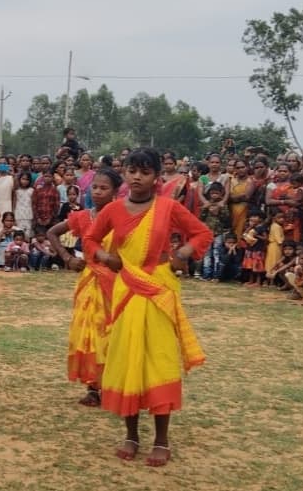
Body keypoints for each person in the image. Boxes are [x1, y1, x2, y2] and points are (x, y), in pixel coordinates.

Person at [84, 147, 212, 467]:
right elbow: (90, 240)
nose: (137, 177)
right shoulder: (113, 209)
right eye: (132, 171)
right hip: (127, 290)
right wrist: (106, 257)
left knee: (159, 361)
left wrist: (182, 253)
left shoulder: (168, 207)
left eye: (145, 171)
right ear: (125, 173)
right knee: (128, 359)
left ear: (157, 177)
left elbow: (201, 233)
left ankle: (161, 440)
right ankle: (131, 435)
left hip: (158, 291)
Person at [48, 168, 121, 406]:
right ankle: (93, 387)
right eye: (95, 187)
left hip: (117, 281)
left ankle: (114, 384)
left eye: (104, 188)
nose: (97, 192)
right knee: (90, 332)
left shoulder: (124, 216)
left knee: (113, 332)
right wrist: (67, 258)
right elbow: (52, 233)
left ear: (115, 191)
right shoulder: (83, 217)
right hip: (90, 282)